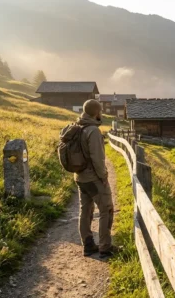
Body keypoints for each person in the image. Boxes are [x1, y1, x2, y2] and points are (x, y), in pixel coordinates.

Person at [75, 99, 116, 258]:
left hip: (80, 178)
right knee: (106, 209)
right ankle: (105, 248)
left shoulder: (78, 126)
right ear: (96, 112)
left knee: (85, 210)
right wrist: (104, 177)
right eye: (100, 111)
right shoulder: (93, 131)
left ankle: (88, 245)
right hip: (94, 179)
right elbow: (97, 159)